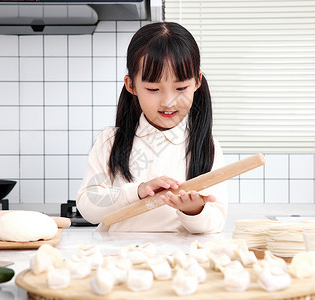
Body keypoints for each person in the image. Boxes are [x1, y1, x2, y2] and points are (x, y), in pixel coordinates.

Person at [76, 22, 227, 232]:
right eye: (153, 89)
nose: (168, 102)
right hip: (118, 259)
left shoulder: (206, 146)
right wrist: (136, 192)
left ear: (197, 82)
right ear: (131, 85)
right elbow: (88, 208)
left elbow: (216, 222)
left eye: (181, 87)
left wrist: (194, 211)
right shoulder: (110, 141)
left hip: (180, 261)